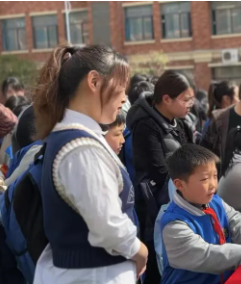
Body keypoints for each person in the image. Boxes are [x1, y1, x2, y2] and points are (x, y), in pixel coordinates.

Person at [31, 45, 145, 284]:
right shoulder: (81, 146)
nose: (125, 97)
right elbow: (107, 225)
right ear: (94, 81)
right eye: (121, 86)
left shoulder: (72, 137)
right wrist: (139, 251)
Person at [159, 144, 241, 284]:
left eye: (215, 176)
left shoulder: (215, 202)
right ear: (179, 184)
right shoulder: (174, 224)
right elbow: (209, 256)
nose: (213, 185)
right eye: (205, 179)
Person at [127, 70, 195, 284]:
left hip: (182, 200)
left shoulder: (181, 123)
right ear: (166, 99)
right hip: (156, 207)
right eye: (185, 99)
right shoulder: (146, 126)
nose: (190, 104)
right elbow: (159, 169)